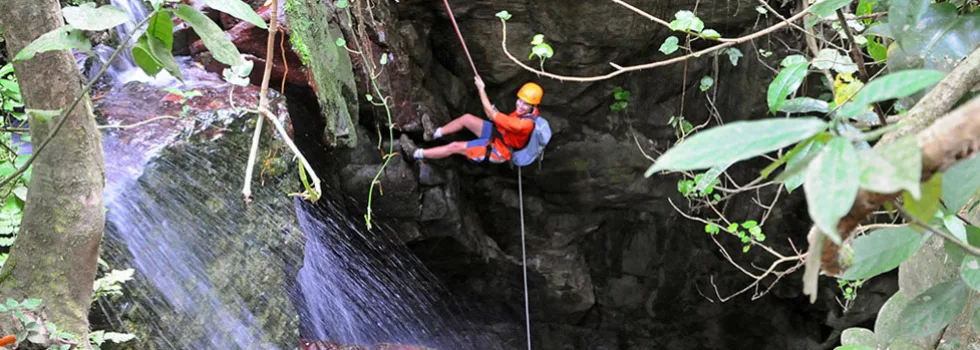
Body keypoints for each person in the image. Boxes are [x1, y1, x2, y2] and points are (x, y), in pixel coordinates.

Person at [400, 76, 543, 164]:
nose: (520, 105)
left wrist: (481, 89)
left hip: (498, 149)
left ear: (533, 106)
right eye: (520, 100)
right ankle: (433, 134)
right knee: (467, 119)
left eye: (525, 104)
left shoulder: (525, 124)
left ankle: (415, 153)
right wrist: (494, 113)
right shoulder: (527, 113)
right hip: (499, 134)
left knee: (454, 146)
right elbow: (493, 116)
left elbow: (491, 114)